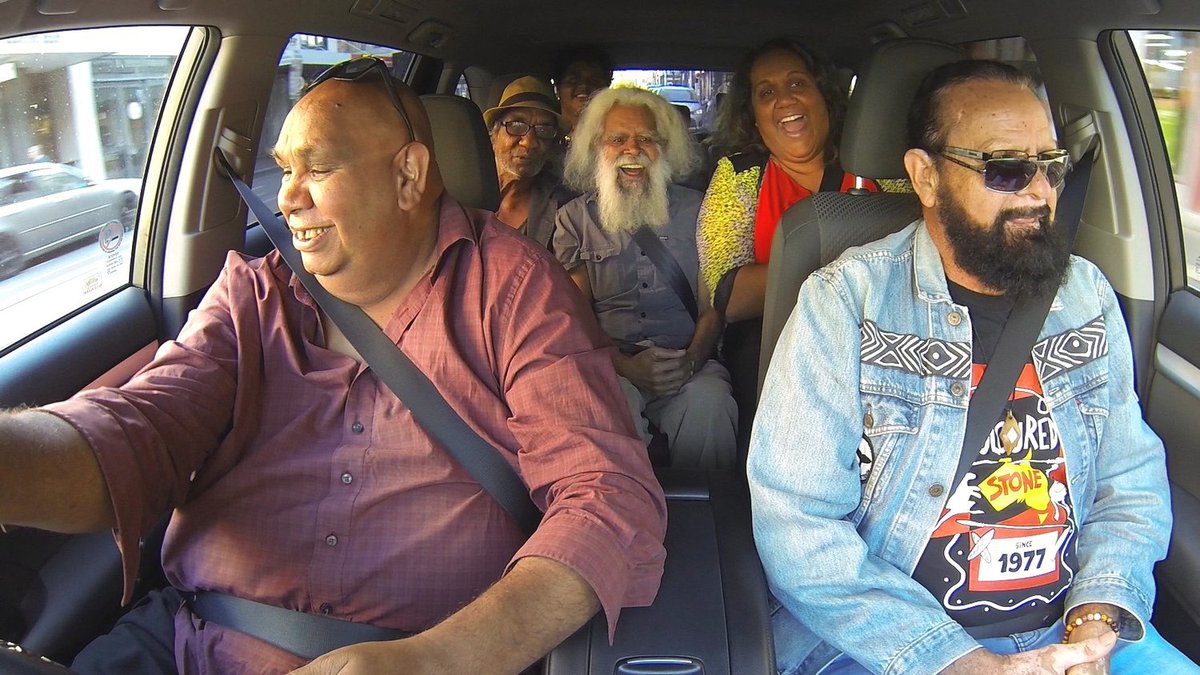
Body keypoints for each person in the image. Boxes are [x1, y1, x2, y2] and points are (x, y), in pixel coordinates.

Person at [0, 57, 667, 674]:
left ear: (408, 175)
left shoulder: (515, 290)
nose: (287, 197)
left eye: (315, 168)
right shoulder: (253, 295)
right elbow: (140, 428)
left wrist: (439, 660)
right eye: (285, 169)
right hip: (191, 642)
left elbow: (606, 499)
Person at [749, 59, 1194, 674]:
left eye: (1051, 165)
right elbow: (796, 526)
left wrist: (1096, 618)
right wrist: (960, 661)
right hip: (889, 646)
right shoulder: (846, 301)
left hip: (1071, 630)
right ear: (925, 176)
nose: (1040, 193)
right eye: (1007, 169)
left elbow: (1129, 479)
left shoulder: (1084, 293)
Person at [697, 38, 878, 459]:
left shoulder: (885, 172)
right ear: (754, 118)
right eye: (766, 93)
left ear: (825, 97)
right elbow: (730, 298)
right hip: (772, 350)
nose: (784, 100)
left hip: (879, 342)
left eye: (798, 83)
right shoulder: (740, 176)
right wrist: (853, 265)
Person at [554, 86, 737, 470]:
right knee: (601, 407)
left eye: (646, 139)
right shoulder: (574, 219)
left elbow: (712, 309)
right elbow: (574, 318)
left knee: (712, 404)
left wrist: (690, 362)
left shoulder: (701, 209)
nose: (631, 149)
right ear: (597, 148)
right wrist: (622, 365)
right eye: (617, 139)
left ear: (665, 148)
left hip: (689, 362)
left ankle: (710, 519)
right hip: (611, 367)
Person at [483, 75, 576, 248]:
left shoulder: (565, 208)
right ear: (494, 134)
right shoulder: (462, 193)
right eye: (516, 125)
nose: (529, 142)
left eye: (543, 129)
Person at [552, 46, 614, 141]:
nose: (584, 86)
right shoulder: (544, 136)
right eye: (573, 80)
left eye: (595, 81)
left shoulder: (616, 137)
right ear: (557, 88)